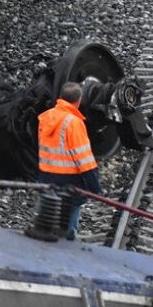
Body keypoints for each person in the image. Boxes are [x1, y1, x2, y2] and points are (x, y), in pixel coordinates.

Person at [37, 82, 102, 240]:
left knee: (46, 222)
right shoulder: (74, 122)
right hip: (69, 183)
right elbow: (84, 159)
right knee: (66, 232)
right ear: (78, 100)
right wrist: (95, 188)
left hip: (46, 178)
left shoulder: (46, 117)